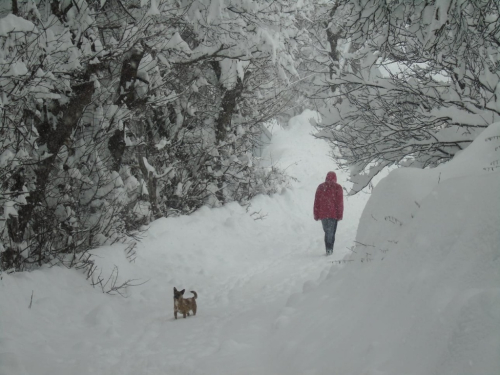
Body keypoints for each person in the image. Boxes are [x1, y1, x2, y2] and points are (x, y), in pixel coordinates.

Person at [313, 171, 344, 255]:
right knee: (331, 232)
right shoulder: (338, 187)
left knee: (327, 232)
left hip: (323, 215)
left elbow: (316, 202)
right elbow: (339, 203)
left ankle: (328, 248)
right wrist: (340, 215)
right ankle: (329, 249)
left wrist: (316, 214)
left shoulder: (320, 187)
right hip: (333, 215)